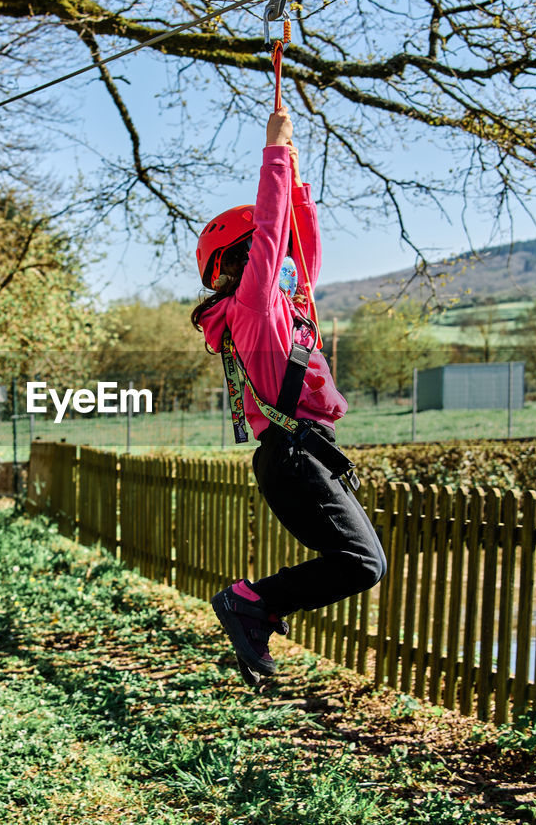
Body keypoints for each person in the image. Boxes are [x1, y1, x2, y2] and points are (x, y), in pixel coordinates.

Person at [190, 105, 387, 686]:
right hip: (293, 456)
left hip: (301, 454)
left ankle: (257, 604)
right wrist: (275, 153)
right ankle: (250, 602)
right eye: (268, 256)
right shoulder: (252, 308)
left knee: (361, 563)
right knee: (362, 564)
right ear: (245, 261)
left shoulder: (285, 310)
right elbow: (276, 234)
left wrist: (297, 178)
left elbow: (301, 246)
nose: (286, 266)